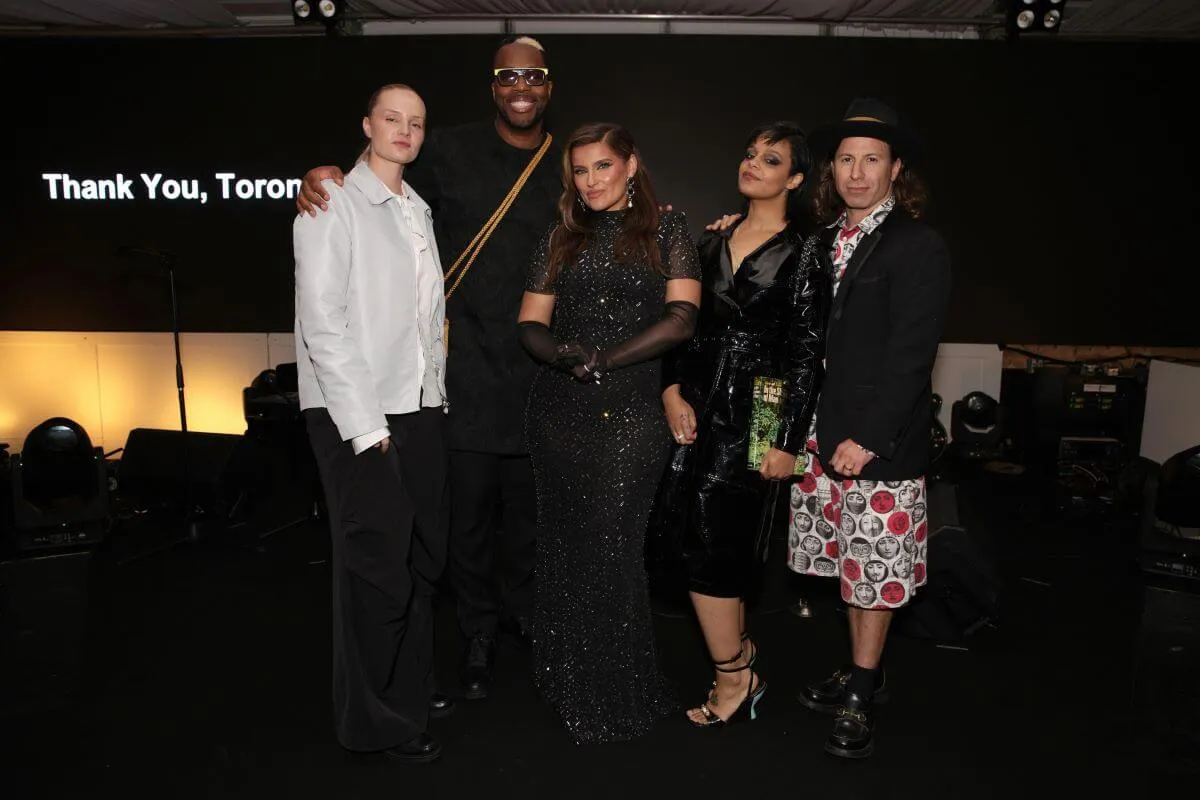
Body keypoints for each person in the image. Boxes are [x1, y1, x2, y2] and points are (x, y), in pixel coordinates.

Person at [296, 36, 562, 701]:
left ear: (548, 86)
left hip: (535, 370)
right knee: (457, 525)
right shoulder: (445, 149)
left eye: (534, 75)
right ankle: (472, 634)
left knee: (524, 518)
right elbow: (376, 174)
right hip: (458, 374)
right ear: (493, 85)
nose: (521, 85)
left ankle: (522, 622)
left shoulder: (566, 164)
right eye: (508, 75)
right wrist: (322, 173)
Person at [516, 122, 702, 743]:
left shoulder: (668, 230)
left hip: (631, 411)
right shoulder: (559, 237)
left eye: (602, 166)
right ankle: (564, 673)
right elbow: (530, 324)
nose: (591, 181)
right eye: (580, 170)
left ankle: (617, 687)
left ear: (631, 165)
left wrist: (606, 359)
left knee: (612, 546)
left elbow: (681, 319)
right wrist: (563, 354)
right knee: (566, 546)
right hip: (559, 411)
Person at [787, 98, 952, 759]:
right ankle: (865, 668)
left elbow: (912, 353)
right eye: (847, 159)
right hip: (817, 439)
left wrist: (872, 436)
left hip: (875, 444)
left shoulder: (919, 244)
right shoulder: (821, 241)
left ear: (895, 169)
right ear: (833, 170)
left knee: (875, 572)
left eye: (872, 160)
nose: (857, 173)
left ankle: (860, 690)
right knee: (848, 567)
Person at [294, 83, 449, 764]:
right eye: (392, 118)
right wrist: (365, 427)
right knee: (374, 572)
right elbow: (321, 325)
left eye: (416, 123)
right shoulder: (331, 203)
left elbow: (420, 325)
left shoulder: (417, 209)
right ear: (367, 124)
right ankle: (373, 719)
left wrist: (431, 401)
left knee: (417, 562)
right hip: (353, 412)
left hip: (416, 405)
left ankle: (406, 691)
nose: (404, 131)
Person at [661, 122, 828, 728]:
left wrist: (785, 441)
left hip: (763, 403)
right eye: (751, 154)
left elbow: (807, 352)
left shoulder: (807, 249)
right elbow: (686, 326)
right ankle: (737, 660)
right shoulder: (711, 243)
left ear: (797, 179)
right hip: (700, 401)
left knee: (722, 538)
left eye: (772, 158)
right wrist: (670, 388)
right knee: (695, 536)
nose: (754, 163)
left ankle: (733, 676)